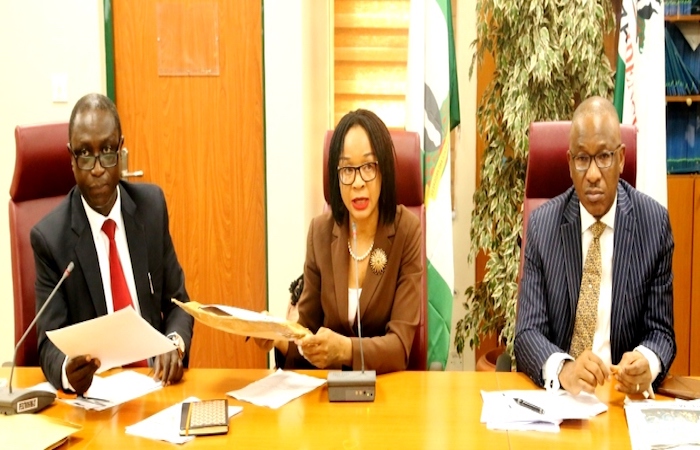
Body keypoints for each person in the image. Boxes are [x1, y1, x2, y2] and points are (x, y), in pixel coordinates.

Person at [31, 93, 194, 394]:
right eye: (84, 153)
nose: (96, 168)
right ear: (71, 157)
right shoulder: (50, 239)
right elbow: (47, 344)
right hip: (97, 396)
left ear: (121, 150)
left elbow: (179, 303)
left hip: (156, 385)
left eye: (107, 151)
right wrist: (68, 372)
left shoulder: (151, 208)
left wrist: (175, 343)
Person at [514, 96, 676, 397]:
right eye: (582, 159)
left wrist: (647, 362)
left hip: (620, 399)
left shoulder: (653, 224)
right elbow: (527, 334)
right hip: (561, 400)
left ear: (622, 158)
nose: (592, 174)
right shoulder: (543, 226)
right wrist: (564, 369)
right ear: (569, 163)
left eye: (603, 156)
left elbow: (661, 333)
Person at [257, 109, 421, 374]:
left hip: (388, 394)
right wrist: (278, 335)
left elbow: (399, 348)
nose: (357, 182)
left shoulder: (406, 231)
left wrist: (345, 349)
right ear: (336, 175)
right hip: (330, 398)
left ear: (384, 171)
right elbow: (306, 335)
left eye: (368, 167)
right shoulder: (320, 232)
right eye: (347, 169)